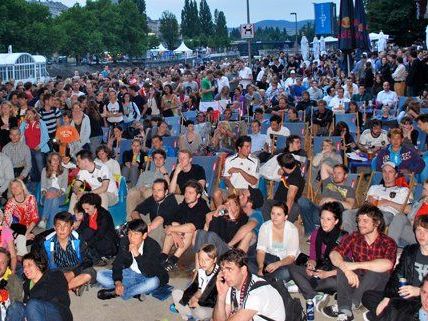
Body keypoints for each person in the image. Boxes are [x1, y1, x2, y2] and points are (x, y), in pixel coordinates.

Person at [322, 204, 397, 321]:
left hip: (378, 284)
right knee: (344, 261)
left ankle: (350, 302)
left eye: (365, 221)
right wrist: (346, 269)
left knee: (376, 270)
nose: (360, 224)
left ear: (377, 223)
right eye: (359, 220)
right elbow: (334, 254)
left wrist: (355, 265)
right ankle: (346, 309)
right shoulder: (354, 236)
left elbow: (388, 264)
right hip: (358, 279)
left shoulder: (388, 242)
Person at [362, 215, 428, 321]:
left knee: (411, 312)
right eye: (418, 230)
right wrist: (387, 298)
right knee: (368, 296)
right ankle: (389, 314)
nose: (421, 234)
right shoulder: (410, 251)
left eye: (426, 230)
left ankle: (385, 315)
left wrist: (419, 291)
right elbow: (397, 275)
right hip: (404, 295)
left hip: (422, 300)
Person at [289, 202, 348, 311]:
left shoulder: (344, 238)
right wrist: (311, 265)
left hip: (334, 273)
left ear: (336, 221)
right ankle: (313, 295)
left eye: (329, 219)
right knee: (291, 267)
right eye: (322, 218)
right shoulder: (316, 233)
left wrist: (327, 274)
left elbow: (347, 267)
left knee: (335, 282)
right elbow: (313, 256)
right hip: (319, 269)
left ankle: (305, 287)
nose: (324, 222)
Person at [96, 219, 169, 301]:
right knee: (99, 275)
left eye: (136, 234)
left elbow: (149, 273)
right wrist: (118, 282)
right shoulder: (125, 241)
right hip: (130, 273)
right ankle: (135, 291)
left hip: (146, 277)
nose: (131, 237)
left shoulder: (153, 246)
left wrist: (137, 255)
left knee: (154, 282)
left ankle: (119, 292)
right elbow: (118, 263)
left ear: (144, 235)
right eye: (130, 233)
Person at [212, 248, 286, 321]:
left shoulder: (258, 292)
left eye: (229, 269)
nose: (225, 275)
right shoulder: (231, 285)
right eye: (222, 270)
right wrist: (221, 295)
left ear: (243, 270)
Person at [33, 211, 96, 295]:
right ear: (54, 227)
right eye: (59, 226)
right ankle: (74, 285)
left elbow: (88, 260)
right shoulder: (46, 242)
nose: (62, 229)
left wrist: (72, 273)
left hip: (76, 268)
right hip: (57, 270)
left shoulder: (78, 239)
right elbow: (43, 265)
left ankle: (62, 288)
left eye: (66, 226)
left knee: (90, 273)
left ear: (71, 227)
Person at [8, 252, 73, 321]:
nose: (25, 269)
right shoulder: (26, 285)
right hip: (35, 314)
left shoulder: (54, 275)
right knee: (16, 306)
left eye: (29, 265)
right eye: (24, 267)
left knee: (32, 305)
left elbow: (62, 299)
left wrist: (29, 303)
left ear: (39, 265)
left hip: (58, 314)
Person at [162, 180, 210, 271]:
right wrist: (174, 233)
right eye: (186, 192)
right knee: (174, 224)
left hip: (196, 239)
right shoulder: (185, 204)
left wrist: (171, 229)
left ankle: (173, 260)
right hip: (181, 236)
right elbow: (170, 219)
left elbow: (192, 227)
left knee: (189, 230)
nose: (186, 195)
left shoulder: (203, 208)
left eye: (190, 193)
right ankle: (163, 256)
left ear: (198, 196)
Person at [250, 202, 299, 282]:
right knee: (247, 262)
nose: (275, 217)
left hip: (284, 261)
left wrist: (277, 264)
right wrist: (261, 267)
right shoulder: (265, 227)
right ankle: (269, 279)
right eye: (273, 213)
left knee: (287, 273)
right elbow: (261, 251)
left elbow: (291, 257)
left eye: (279, 214)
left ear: (285, 217)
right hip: (268, 258)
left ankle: (263, 279)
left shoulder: (292, 230)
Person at [171, 244, 220, 321]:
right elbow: (194, 286)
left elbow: (216, 301)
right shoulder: (201, 270)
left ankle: (188, 313)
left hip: (210, 306)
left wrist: (197, 302)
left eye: (207, 260)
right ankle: (189, 316)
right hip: (198, 300)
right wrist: (188, 299)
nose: (203, 263)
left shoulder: (219, 276)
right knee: (176, 293)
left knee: (200, 313)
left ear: (214, 260)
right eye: (200, 259)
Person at [131, 179, 179, 246]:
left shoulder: (170, 200)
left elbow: (160, 218)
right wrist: (141, 225)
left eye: (159, 190)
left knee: (156, 228)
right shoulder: (153, 198)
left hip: (168, 228)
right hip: (153, 226)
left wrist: (146, 229)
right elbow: (135, 212)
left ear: (166, 192)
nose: (156, 193)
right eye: (154, 190)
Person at [74, 193, 118, 265]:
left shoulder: (104, 215)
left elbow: (100, 234)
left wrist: (86, 244)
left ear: (94, 205)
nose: (85, 211)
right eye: (84, 209)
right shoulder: (87, 214)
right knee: (81, 234)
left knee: (89, 232)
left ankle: (94, 257)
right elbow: (82, 229)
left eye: (87, 208)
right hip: (93, 243)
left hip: (106, 244)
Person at [126, 149, 170, 217]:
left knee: (149, 192)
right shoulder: (145, 173)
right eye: (155, 158)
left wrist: (165, 173)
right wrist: (141, 188)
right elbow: (137, 186)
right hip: (141, 193)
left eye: (160, 158)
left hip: (152, 193)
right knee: (132, 192)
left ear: (164, 160)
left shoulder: (167, 174)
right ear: (153, 160)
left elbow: (168, 188)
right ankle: (130, 220)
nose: (158, 160)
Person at [3, 179, 39, 257]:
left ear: (22, 187)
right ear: (11, 191)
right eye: (12, 188)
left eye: (17, 186)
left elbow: (35, 218)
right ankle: (18, 248)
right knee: (20, 232)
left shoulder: (31, 198)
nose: (15, 189)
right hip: (14, 228)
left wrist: (26, 234)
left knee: (31, 239)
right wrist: (14, 235)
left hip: (27, 229)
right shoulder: (10, 203)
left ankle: (16, 243)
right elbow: (7, 222)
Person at [19, 109, 50, 183]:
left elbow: (46, 137)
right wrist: (23, 122)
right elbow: (19, 134)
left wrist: (39, 146)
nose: (29, 115)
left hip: (38, 149)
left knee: (40, 168)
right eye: (27, 113)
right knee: (31, 168)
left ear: (35, 114)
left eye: (30, 113)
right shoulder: (25, 124)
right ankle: (34, 184)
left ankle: (44, 184)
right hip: (28, 149)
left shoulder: (41, 123)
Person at [39, 152, 68, 229]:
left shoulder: (64, 170)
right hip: (47, 196)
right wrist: (46, 193)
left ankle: (44, 219)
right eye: (53, 159)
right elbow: (43, 187)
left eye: (58, 159)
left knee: (53, 191)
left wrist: (56, 194)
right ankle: (51, 227)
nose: (56, 161)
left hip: (60, 195)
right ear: (49, 160)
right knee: (53, 198)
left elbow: (64, 188)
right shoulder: (44, 170)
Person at [0, 247, 23, 318]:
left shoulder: (14, 281)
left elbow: (17, 306)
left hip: (9, 317)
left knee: (17, 306)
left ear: (7, 265)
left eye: (2, 262)